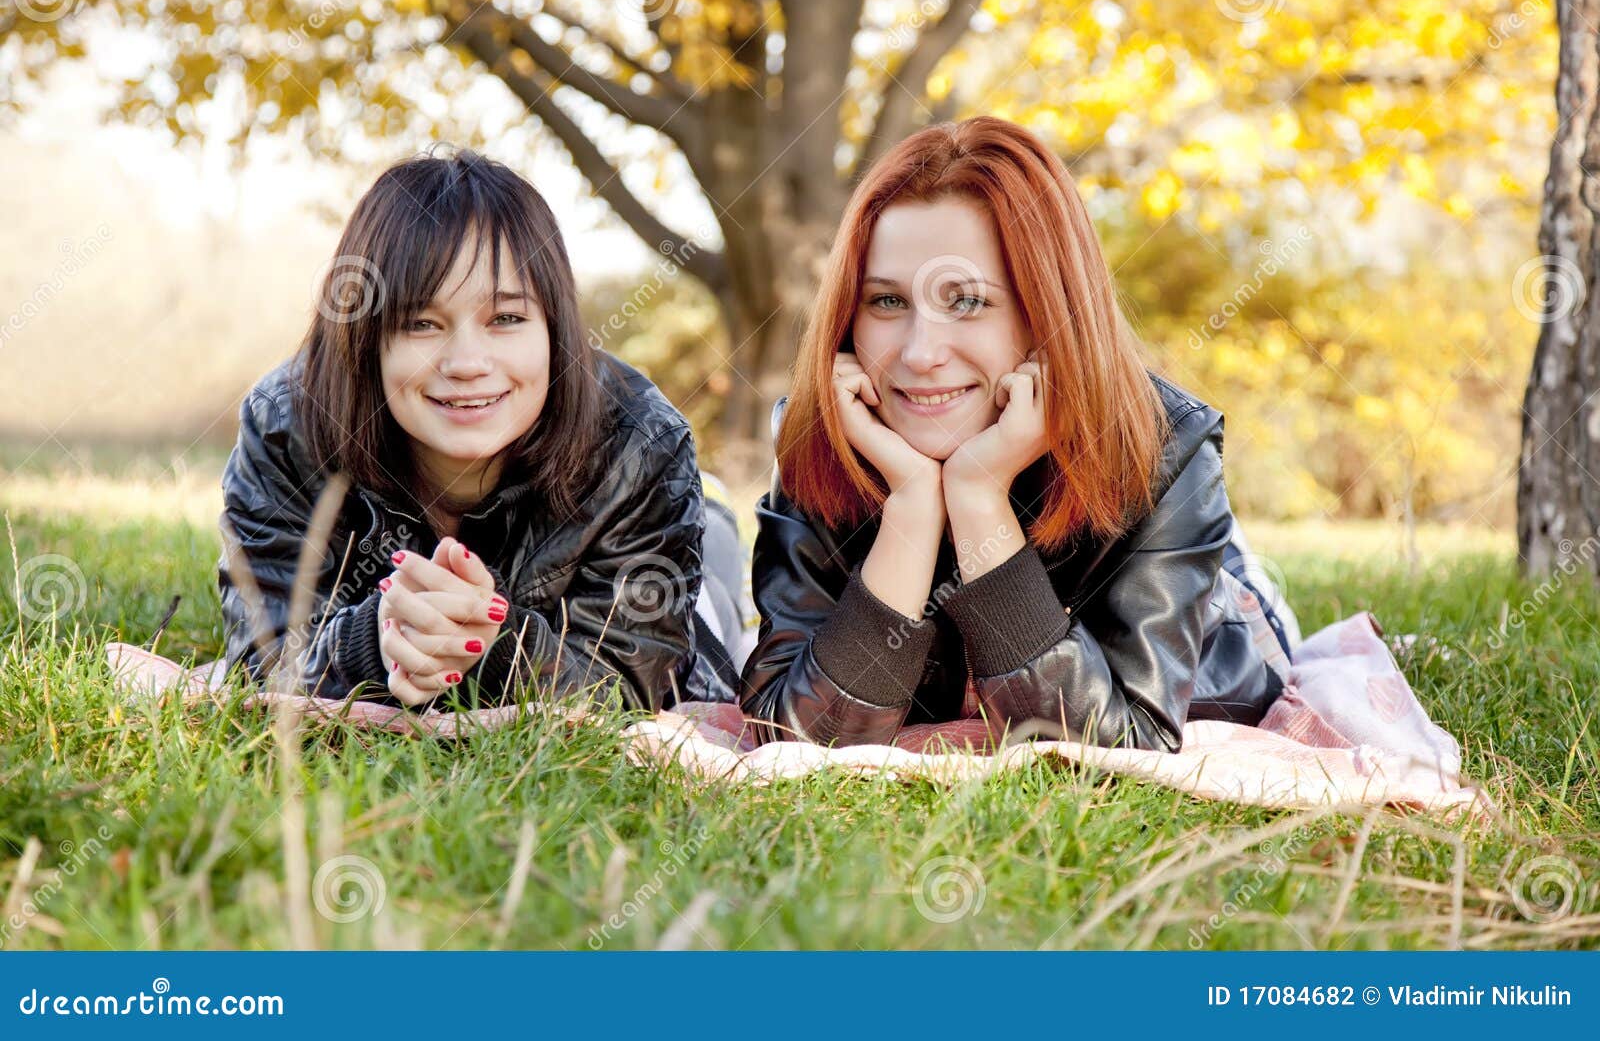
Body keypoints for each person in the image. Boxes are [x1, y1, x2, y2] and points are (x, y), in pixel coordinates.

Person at [742, 116, 1291, 750]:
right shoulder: (829, 430)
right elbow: (788, 734)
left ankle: (1239, 560)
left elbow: (1122, 748)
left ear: (1045, 313)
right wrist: (913, 506)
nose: (920, 355)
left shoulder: (1169, 448)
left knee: (1246, 593)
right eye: (888, 302)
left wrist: (978, 498)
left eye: (968, 301)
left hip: (1230, 619)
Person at [217, 148, 737, 710]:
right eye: (421, 323)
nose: (466, 362)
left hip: (693, 563)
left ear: (554, 326)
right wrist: (374, 638)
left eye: (506, 318)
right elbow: (261, 661)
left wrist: (496, 645)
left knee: (715, 588)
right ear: (368, 337)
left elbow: (632, 686)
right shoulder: (287, 427)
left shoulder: (642, 444)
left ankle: (714, 509)